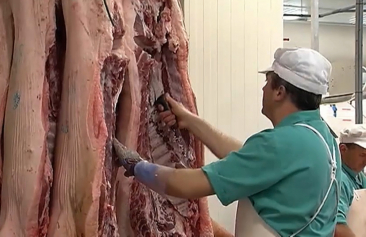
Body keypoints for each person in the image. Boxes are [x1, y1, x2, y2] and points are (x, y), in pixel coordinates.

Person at [113, 47, 341, 236]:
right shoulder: (322, 138)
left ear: (279, 92)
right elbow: (249, 158)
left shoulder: (282, 143)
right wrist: (191, 121)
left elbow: (186, 185)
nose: (262, 88)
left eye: (267, 81)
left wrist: (136, 166)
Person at [334, 125, 366, 237]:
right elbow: (337, 226)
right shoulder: (340, 180)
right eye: (362, 155)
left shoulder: (359, 176)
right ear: (343, 149)